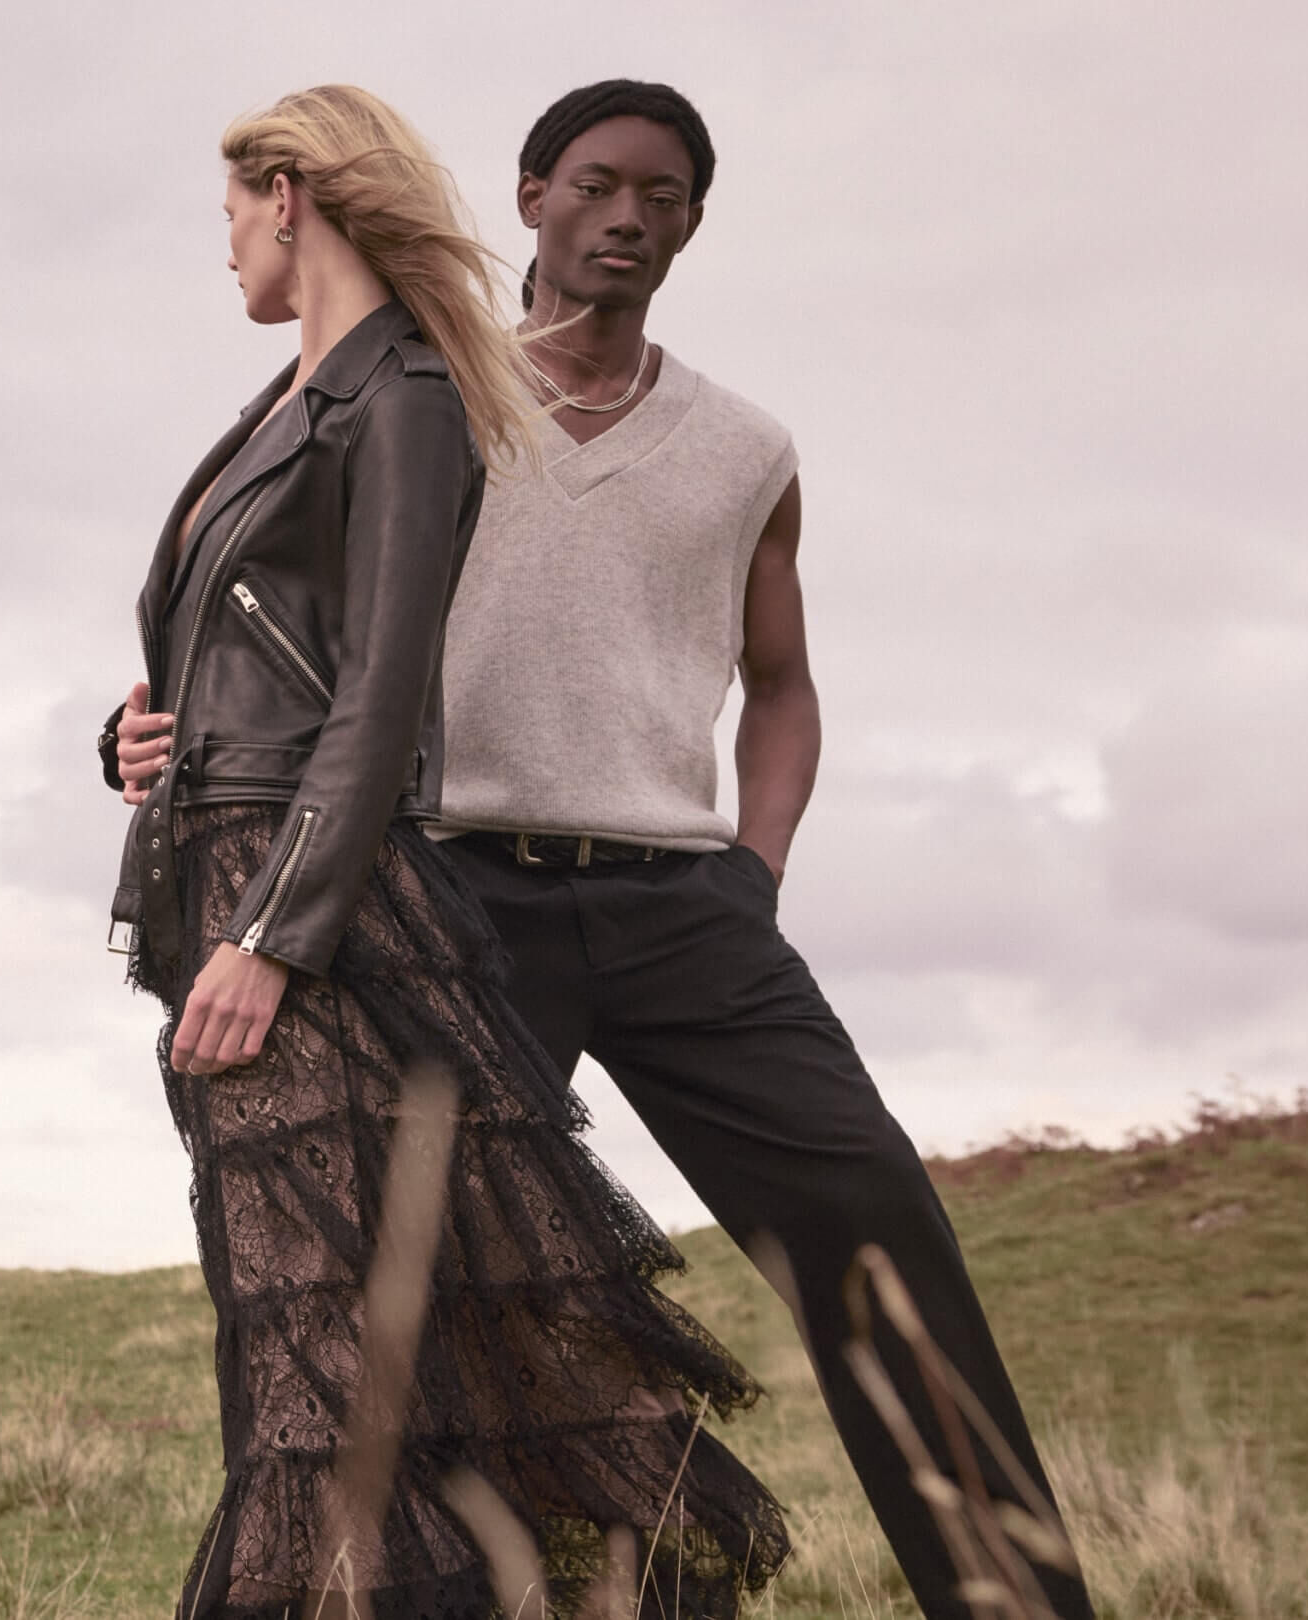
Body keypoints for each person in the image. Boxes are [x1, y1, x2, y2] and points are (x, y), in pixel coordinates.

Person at [99, 85, 785, 1620]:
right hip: (237, 871)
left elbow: (386, 691)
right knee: (327, 1349)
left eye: (230, 214)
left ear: (290, 195)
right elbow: (256, 656)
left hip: (313, 913)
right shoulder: (289, 401)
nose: (224, 253)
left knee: (320, 1372)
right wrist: (138, 741)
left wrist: (274, 936)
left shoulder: (401, 395)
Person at [426, 81, 1099, 1619]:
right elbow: (266, 591)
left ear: (694, 224)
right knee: (444, 1287)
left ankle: (1013, 1601)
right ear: (529, 197)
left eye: (663, 198)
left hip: (685, 910)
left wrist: (757, 866)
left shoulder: (744, 448)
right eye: (596, 186)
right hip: (461, 900)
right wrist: (154, 713)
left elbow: (782, 685)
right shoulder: (424, 393)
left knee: (880, 1236)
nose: (627, 219)